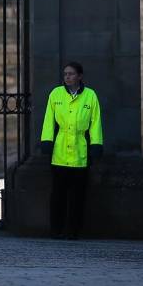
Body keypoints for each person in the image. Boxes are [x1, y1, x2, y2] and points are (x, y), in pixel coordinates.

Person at [39, 61, 103, 240]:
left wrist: (96, 145)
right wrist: (47, 141)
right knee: (58, 195)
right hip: (59, 154)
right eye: (65, 74)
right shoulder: (56, 94)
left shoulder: (90, 96)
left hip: (80, 153)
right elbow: (48, 121)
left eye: (71, 74)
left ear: (80, 76)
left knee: (77, 197)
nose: (67, 77)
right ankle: (56, 229)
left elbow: (95, 122)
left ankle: (73, 230)